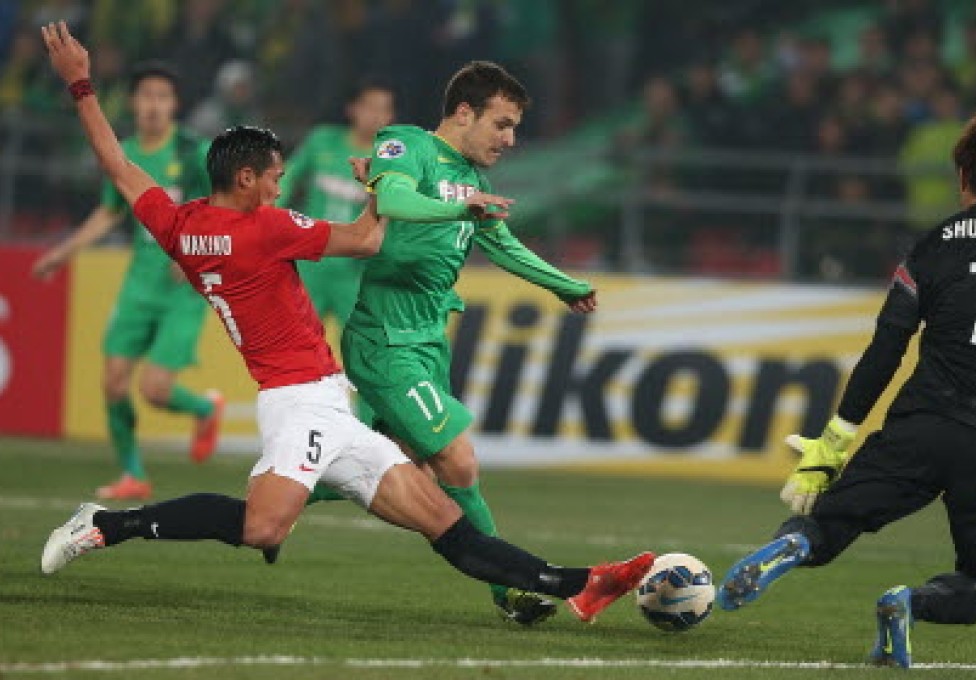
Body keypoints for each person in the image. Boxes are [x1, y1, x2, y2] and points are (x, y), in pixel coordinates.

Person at [38, 21, 653, 626]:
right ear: (246, 179)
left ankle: (582, 583)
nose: (283, 188)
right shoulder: (268, 229)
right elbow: (364, 240)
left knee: (442, 519)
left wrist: (82, 88)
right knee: (262, 526)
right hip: (297, 403)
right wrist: (380, 189)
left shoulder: (176, 225)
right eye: (277, 178)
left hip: (328, 401)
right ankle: (105, 524)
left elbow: (118, 165)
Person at [716, 107, 976, 669]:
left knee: (833, 521)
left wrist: (836, 437)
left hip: (920, 425)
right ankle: (910, 602)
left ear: (963, 177)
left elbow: (887, 347)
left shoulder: (932, 246)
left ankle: (795, 544)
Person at [340, 60, 597, 625]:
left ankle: (249, 507)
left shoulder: (476, 182)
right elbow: (397, 202)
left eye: (514, 129)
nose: (510, 139)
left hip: (429, 342)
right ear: (464, 112)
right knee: (457, 461)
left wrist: (566, 285)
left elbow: (503, 247)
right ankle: (512, 590)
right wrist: (461, 206)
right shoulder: (404, 144)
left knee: (380, 467)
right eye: (501, 124)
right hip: (384, 339)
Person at [32, 59, 224, 501]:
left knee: (154, 390)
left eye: (163, 97)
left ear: (175, 105)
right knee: (113, 382)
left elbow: (221, 205)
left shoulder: (191, 151)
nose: (154, 106)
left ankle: (203, 407)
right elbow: (109, 211)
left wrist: (195, 252)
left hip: (183, 289)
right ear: (134, 102)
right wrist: (63, 253)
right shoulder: (125, 154)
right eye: (146, 96)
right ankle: (133, 474)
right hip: (140, 281)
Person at [278, 79, 394, 356]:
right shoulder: (321, 141)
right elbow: (288, 177)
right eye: (370, 107)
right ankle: (307, 400)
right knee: (296, 348)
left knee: (368, 352)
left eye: (384, 109)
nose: (376, 115)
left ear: (391, 116)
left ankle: (365, 401)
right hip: (310, 265)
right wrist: (266, 214)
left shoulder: (392, 160)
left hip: (355, 272)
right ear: (352, 109)